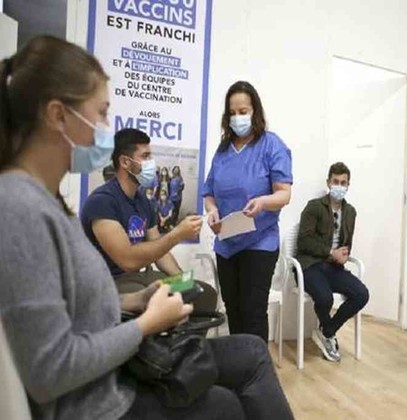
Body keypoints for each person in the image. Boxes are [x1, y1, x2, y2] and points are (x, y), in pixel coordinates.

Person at [0, 36, 293, 420]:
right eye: (102, 113)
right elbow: (51, 369)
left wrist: (139, 300)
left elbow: (78, 305)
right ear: (58, 115)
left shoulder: (58, 202)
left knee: (249, 348)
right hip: (101, 394)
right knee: (226, 402)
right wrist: (145, 324)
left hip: (122, 335)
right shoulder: (23, 209)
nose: (106, 128)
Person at [203, 81, 292, 342]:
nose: (237, 118)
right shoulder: (223, 151)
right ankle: (239, 363)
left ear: (255, 111)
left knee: (253, 312)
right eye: (232, 113)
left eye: (243, 111)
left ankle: (256, 365)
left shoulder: (271, 145)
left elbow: (284, 194)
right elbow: (209, 192)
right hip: (227, 243)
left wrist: (262, 202)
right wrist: (212, 210)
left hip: (259, 242)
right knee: (234, 310)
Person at [80, 128, 206, 299]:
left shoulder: (143, 201)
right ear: (125, 162)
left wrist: (184, 281)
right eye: (145, 156)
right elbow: (128, 261)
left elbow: (160, 252)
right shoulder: (102, 202)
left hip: (138, 277)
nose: (151, 162)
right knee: (161, 298)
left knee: (203, 294)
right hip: (108, 283)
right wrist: (177, 234)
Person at [296, 162, 370, 362]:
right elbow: (303, 242)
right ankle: (328, 335)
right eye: (335, 181)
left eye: (343, 183)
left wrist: (344, 254)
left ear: (348, 185)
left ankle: (327, 331)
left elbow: (347, 242)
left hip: (334, 267)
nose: (339, 186)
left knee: (361, 294)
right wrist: (330, 252)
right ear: (328, 183)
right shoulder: (314, 207)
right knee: (325, 298)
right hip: (310, 265)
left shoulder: (350, 212)